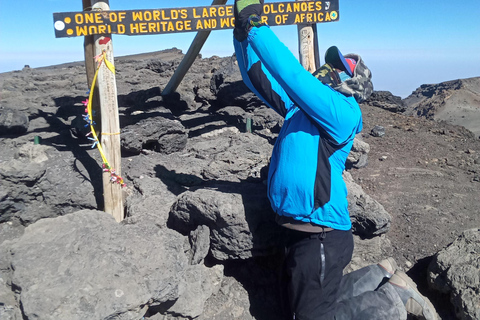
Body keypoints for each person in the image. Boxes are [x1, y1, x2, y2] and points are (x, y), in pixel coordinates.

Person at [233, 1, 437, 319]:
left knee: (312, 317)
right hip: (299, 230)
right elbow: (257, 78)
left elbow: (293, 76)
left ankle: (394, 300)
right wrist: (242, 36)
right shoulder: (299, 108)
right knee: (302, 307)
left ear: (354, 87)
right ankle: (380, 273)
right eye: (331, 64)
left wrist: (255, 26)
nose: (330, 69)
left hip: (321, 236)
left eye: (339, 68)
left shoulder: (341, 113)